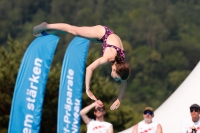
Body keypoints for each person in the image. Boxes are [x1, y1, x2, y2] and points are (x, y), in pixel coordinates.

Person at [33, 22, 130, 110]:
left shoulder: (122, 65)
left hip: (105, 39)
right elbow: (89, 68)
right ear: (114, 69)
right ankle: (46, 26)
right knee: (72, 30)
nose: (116, 80)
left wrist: (119, 99)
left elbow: (124, 82)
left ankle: (46, 33)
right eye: (116, 78)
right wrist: (88, 89)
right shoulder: (108, 58)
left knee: (75, 33)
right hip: (102, 33)